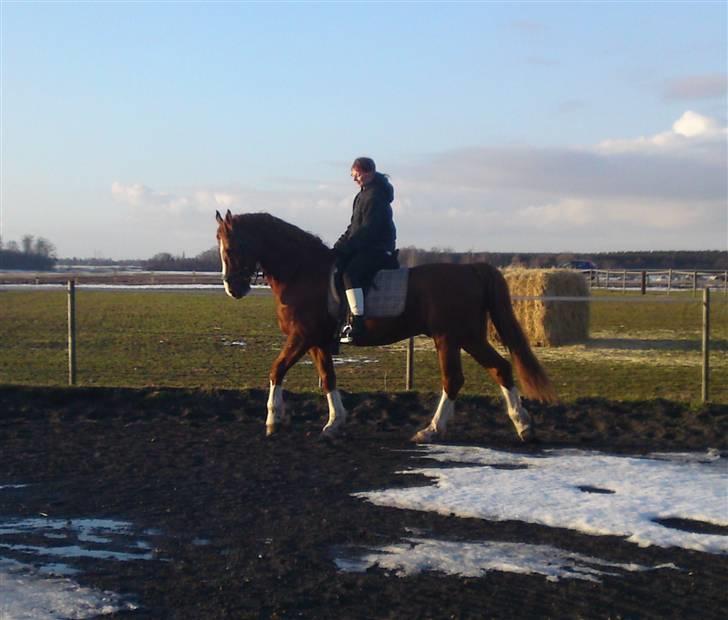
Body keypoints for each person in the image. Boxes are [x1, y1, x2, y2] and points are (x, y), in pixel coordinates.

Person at [334, 157, 397, 343]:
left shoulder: (375, 195)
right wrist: (337, 248)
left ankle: (358, 323)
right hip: (365, 245)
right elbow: (353, 228)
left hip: (378, 248)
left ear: (369, 172)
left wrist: (348, 248)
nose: (354, 179)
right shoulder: (363, 194)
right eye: (353, 175)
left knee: (350, 274)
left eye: (357, 174)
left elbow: (368, 230)